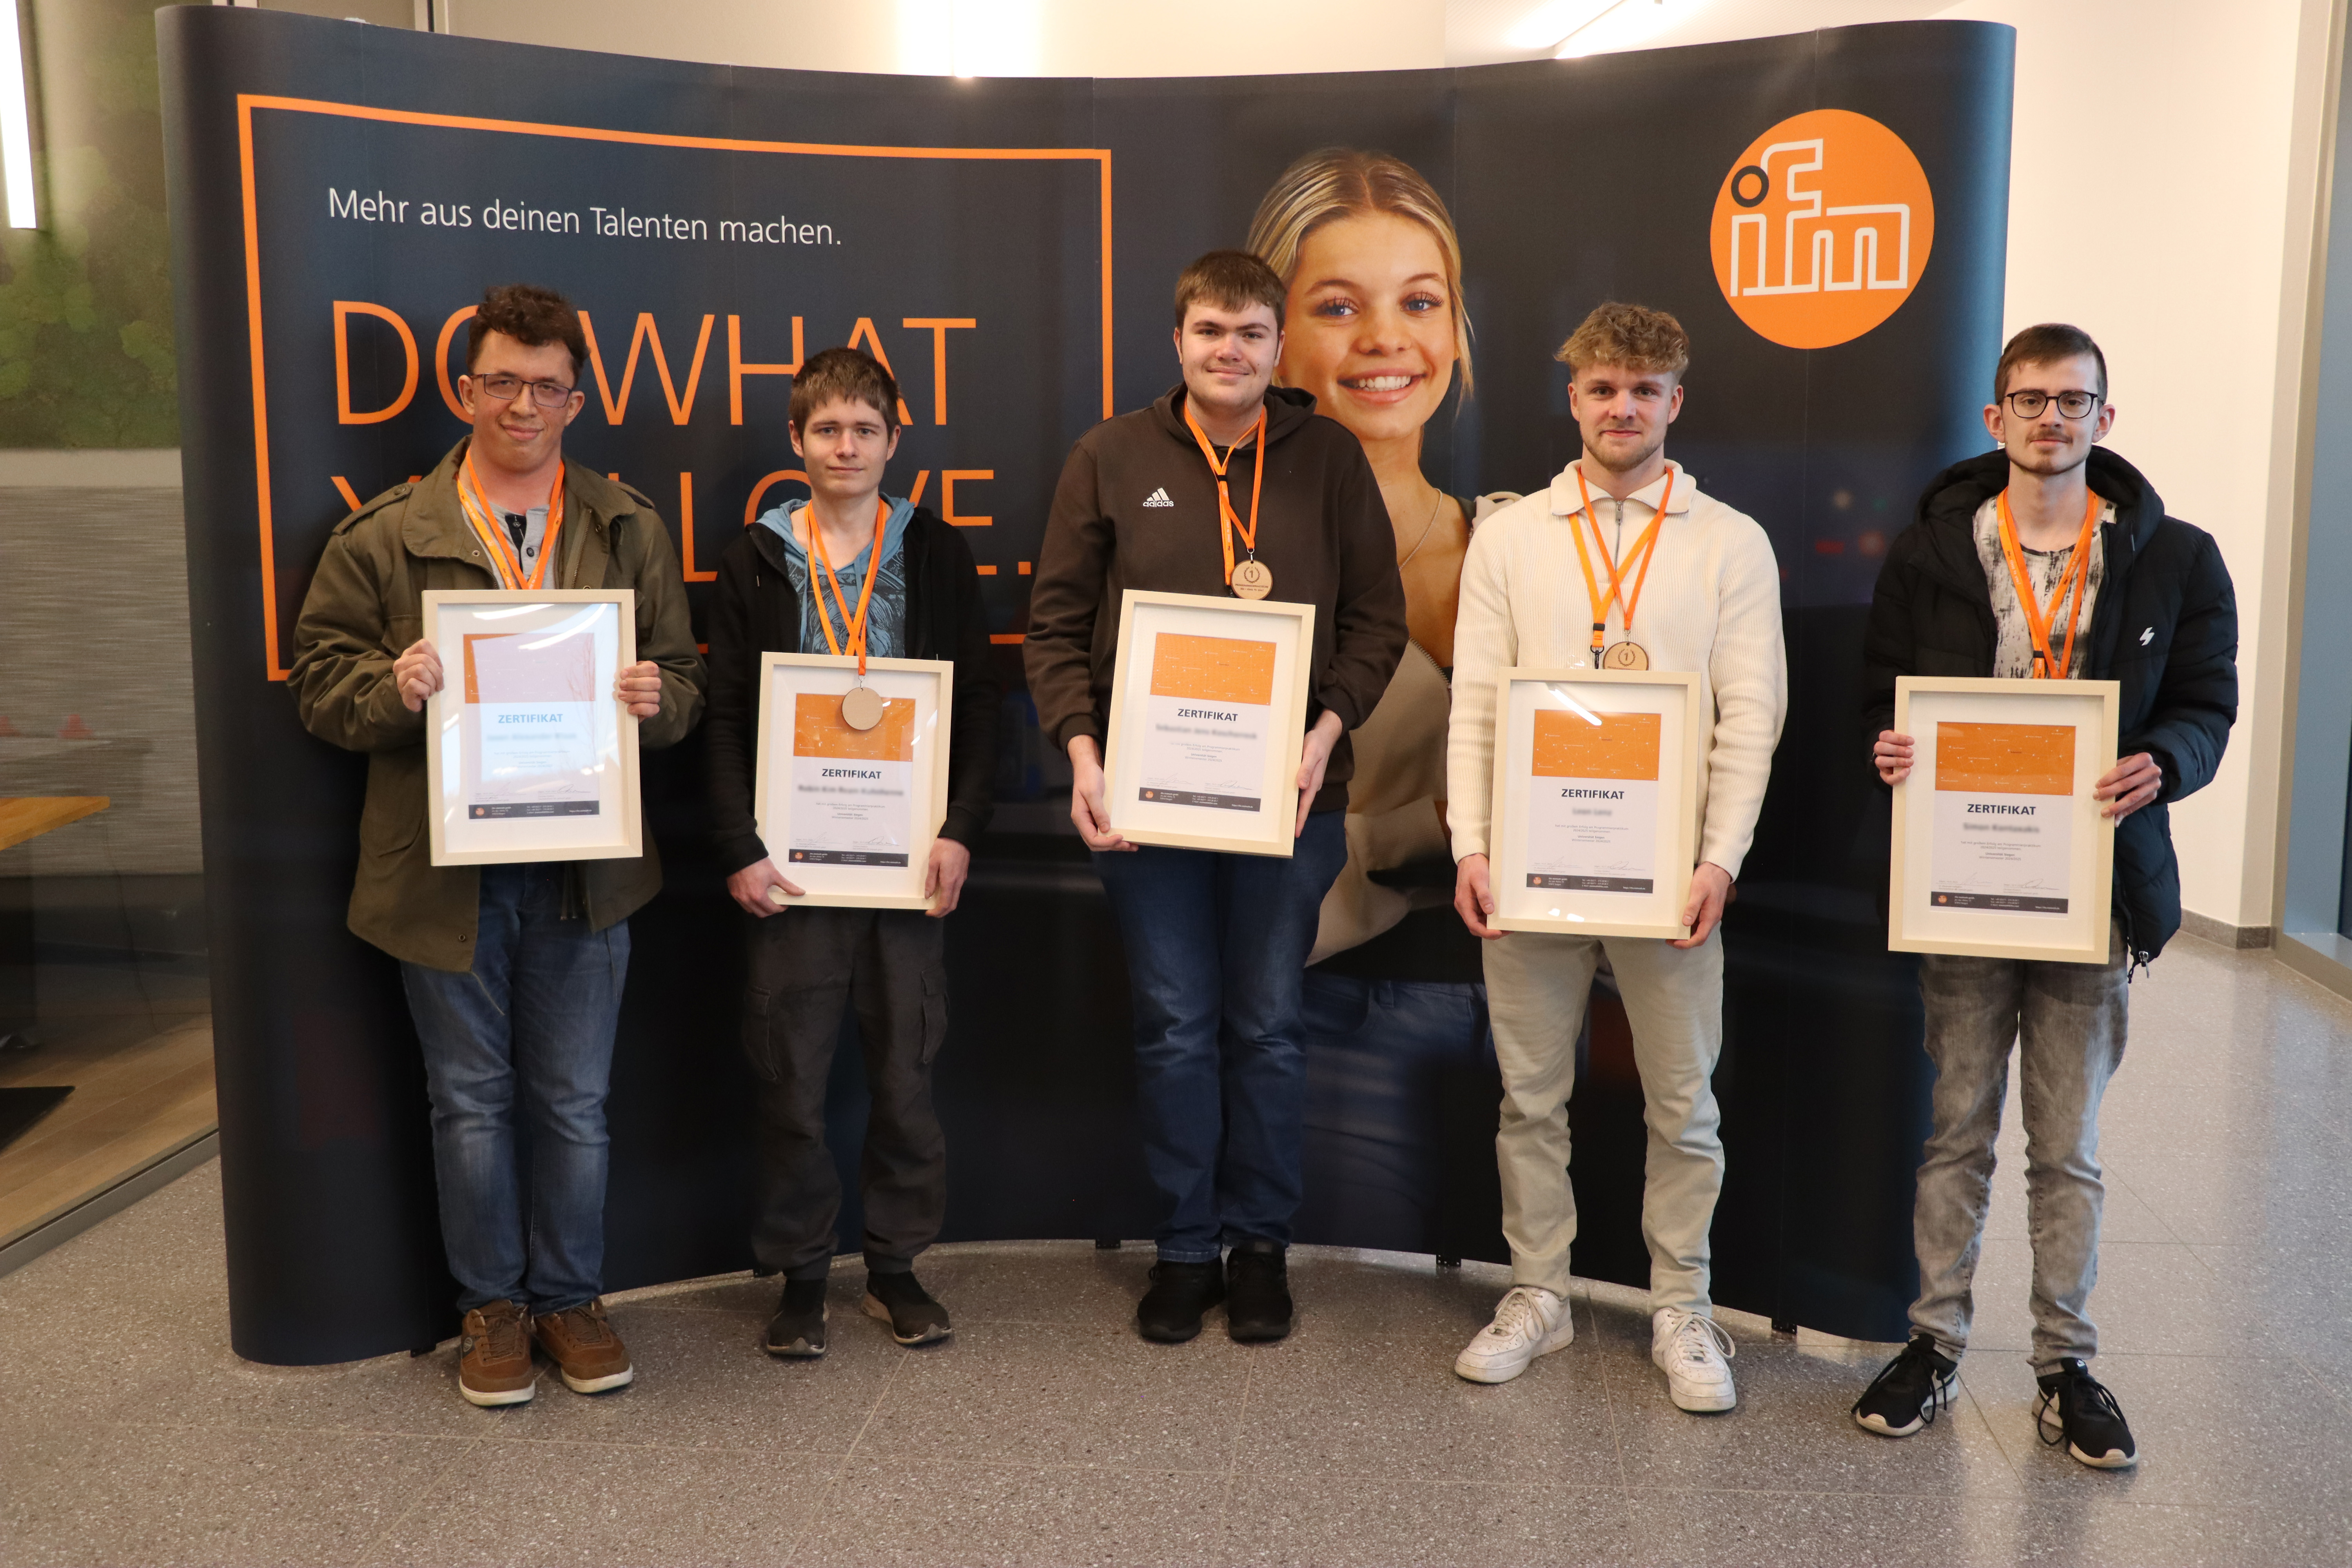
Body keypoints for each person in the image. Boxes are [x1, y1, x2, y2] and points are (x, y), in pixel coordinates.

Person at [290, 282, 704, 1408]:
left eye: (547, 386)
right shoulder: (385, 534)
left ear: (578, 400)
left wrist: (656, 699)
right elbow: (319, 683)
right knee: (469, 1100)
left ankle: (571, 1298)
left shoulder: (628, 527)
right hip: (441, 875)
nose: (525, 404)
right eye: (504, 382)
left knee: (575, 1102)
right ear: (467, 390)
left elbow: (686, 685)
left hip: (587, 871)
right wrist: (392, 688)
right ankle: (493, 1310)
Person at [1851, 324, 2236, 1468]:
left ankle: (2066, 1367)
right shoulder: (1929, 553)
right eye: (2031, 401)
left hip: (2093, 890)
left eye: (2074, 402)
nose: (2052, 420)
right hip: (1964, 888)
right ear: (1997, 418)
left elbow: (2207, 704)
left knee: (2067, 1147)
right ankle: (1933, 1345)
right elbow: (1880, 695)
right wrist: (1888, 745)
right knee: (1957, 1131)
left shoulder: (2177, 558)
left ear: (2105, 419)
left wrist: (2164, 760)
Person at [1025, 250, 1407, 1345]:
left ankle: (1261, 1249)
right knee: (1175, 1027)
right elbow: (1055, 629)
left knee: (1270, 1028)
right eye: (1209, 331)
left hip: (1291, 804)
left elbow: (1377, 623)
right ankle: (1187, 1249)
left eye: (1249, 333)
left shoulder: (1330, 459)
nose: (1228, 351)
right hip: (1145, 808)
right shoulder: (1110, 456)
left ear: (1280, 347)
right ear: (1177, 340)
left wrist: (1324, 735)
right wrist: (1084, 757)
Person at [1447, 302, 1785, 1412]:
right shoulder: (1511, 538)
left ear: (1675, 401)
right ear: (1574, 398)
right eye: (1602, 388)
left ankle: (1682, 1305)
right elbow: (1476, 707)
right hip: (1531, 868)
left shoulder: (1729, 541)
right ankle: (1539, 1294)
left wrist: (1719, 861)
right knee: (1528, 1099)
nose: (1622, 408)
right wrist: (1472, 844)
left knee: (1684, 1106)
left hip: (1670, 878)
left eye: (1644, 390)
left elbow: (1753, 718)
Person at [703, 346, 998, 1360]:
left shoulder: (938, 551)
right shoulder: (753, 558)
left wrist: (961, 828)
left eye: (865, 429)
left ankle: (897, 1267)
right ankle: (800, 1276)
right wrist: (738, 846)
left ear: (893, 440)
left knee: (906, 1075)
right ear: (796, 439)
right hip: (792, 866)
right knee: (790, 1079)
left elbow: (979, 705)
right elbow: (725, 716)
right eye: (826, 429)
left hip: (907, 862)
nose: (846, 447)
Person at [1244, 148, 1501, 1250]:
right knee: (1353, 1316)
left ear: (1457, 333)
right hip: (1324, 1007)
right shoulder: (1236, 564)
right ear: (1274, 338)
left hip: (1519, 1005)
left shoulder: (1525, 542)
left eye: (1420, 302)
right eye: (1340, 306)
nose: (1388, 339)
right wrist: (1420, 833)